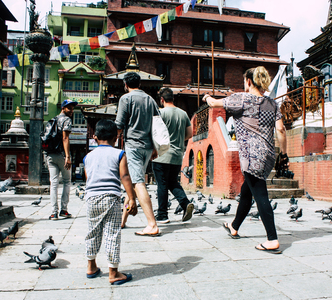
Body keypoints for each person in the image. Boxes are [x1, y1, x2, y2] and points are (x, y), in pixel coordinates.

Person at [203, 66, 288, 254]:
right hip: (267, 155)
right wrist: (284, 153)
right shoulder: (273, 104)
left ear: (249, 81)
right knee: (247, 191)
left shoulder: (241, 99)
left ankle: (272, 239)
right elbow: (281, 130)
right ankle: (234, 226)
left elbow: (214, 104)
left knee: (261, 195)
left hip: (251, 156)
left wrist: (207, 97)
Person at [83, 119, 137, 284]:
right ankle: (113, 273)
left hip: (91, 198)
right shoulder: (119, 154)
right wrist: (132, 198)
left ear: (95, 137)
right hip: (111, 198)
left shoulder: (88, 157)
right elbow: (124, 176)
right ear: (116, 137)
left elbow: (88, 178)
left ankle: (91, 267)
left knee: (92, 232)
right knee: (112, 234)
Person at [115, 72, 160, 236]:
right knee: (134, 181)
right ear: (139, 83)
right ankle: (123, 220)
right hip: (148, 146)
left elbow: (119, 124)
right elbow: (157, 124)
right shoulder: (150, 99)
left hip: (133, 145)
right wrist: (155, 146)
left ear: (125, 84)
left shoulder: (125, 99)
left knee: (138, 182)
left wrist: (110, 143)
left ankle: (152, 224)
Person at [152, 87, 194, 223]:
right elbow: (189, 134)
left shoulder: (160, 113)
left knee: (162, 184)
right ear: (173, 98)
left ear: (162, 99)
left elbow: (154, 132)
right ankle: (185, 203)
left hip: (161, 154)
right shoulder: (183, 114)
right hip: (177, 155)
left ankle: (162, 215)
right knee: (172, 182)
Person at [45, 99, 78, 220]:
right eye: (69, 108)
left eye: (72, 108)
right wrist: (68, 156)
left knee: (53, 183)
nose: (72, 111)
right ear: (63, 108)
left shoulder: (53, 119)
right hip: (61, 154)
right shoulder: (66, 120)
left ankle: (54, 212)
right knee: (66, 181)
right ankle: (64, 210)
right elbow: (65, 138)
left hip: (49, 154)